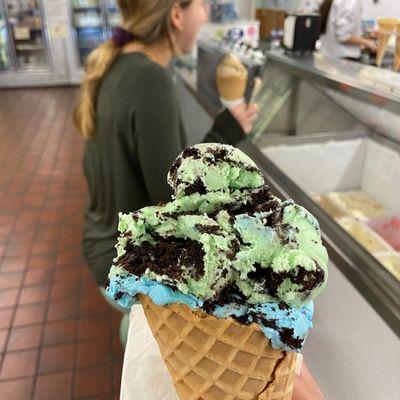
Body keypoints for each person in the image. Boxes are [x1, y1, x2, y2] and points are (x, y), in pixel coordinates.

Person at [73, 0, 259, 288]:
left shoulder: (120, 63)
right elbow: (177, 198)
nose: (207, 13)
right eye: (201, 4)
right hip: (127, 260)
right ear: (176, 14)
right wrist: (226, 131)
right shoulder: (150, 79)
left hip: (103, 241)